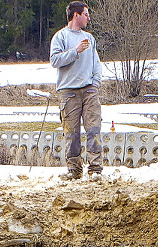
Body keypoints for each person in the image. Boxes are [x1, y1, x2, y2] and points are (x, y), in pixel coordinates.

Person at [50, 1, 104, 181]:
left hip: (89, 90)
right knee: (71, 133)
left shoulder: (90, 38)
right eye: (86, 14)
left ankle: (95, 169)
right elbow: (55, 61)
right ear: (76, 15)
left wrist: (95, 82)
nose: (88, 18)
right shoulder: (60, 37)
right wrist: (75, 51)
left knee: (93, 129)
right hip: (68, 92)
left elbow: (96, 62)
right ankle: (74, 170)